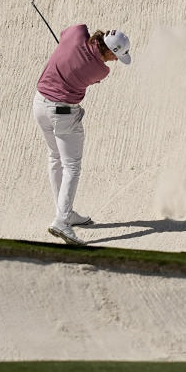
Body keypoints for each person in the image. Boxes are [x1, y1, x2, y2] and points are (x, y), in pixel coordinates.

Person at [32, 25, 131, 245]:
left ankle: (64, 211)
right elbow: (89, 67)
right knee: (72, 166)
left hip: (39, 104)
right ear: (109, 51)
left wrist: (71, 49)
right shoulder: (101, 71)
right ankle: (62, 221)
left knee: (55, 158)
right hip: (63, 112)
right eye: (115, 56)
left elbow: (65, 36)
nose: (114, 61)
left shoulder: (78, 32)